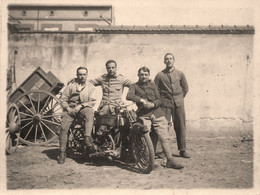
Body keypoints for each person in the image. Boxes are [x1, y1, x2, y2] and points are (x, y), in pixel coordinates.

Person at [126, 66, 184, 169]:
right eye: (141, 74)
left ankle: (169, 160)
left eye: (146, 74)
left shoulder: (153, 85)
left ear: (149, 75)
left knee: (164, 136)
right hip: (144, 115)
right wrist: (141, 100)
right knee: (144, 135)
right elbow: (129, 96)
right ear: (138, 75)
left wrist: (153, 105)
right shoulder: (134, 86)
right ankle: (145, 158)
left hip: (157, 113)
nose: (144, 77)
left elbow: (159, 99)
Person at [154, 53, 190, 158]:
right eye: (167, 59)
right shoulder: (160, 75)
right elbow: (155, 90)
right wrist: (161, 101)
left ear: (174, 60)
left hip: (178, 104)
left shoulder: (180, 73)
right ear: (164, 61)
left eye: (171, 59)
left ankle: (182, 150)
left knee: (181, 126)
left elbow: (185, 88)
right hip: (165, 104)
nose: (169, 60)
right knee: (163, 127)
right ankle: (161, 151)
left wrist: (178, 99)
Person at [57, 67, 96, 164]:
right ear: (77, 75)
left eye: (84, 74)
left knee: (90, 112)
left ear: (87, 75)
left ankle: (87, 138)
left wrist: (81, 106)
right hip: (70, 109)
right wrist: (68, 109)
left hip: (83, 108)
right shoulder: (71, 86)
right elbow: (63, 99)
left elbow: (92, 101)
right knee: (63, 128)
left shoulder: (91, 87)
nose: (82, 76)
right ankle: (62, 152)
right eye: (80, 74)